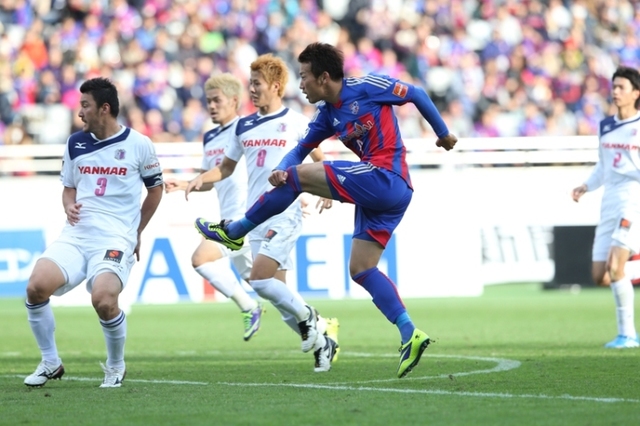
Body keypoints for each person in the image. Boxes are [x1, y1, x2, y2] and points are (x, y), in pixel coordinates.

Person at [195, 42, 458, 378]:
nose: (300, 84)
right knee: (361, 269)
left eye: (304, 76)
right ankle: (410, 333)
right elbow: (300, 149)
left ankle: (235, 231)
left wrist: (443, 134)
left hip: (386, 177)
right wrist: (282, 169)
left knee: (298, 178)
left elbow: (416, 93)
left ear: (323, 77)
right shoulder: (325, 115)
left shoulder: (367, 86)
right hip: (379, 194)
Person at [186, 54, 339, 372]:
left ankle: (311, 317)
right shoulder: (244, 125)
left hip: (284, 212)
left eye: (257, 83)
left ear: (276, 86)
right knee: (279, 298)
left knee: (259, 279)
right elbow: (225, 169)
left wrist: (328, 191)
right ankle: (323, 342)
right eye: (251, 83)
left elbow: (318, 159)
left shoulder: (296, 121)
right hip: (253, 217)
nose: (252, 89)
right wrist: (200, 179)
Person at [22, 77, 164, 388]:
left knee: (104, 299)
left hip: (115, 238)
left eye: (85, 105)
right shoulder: (75, 142)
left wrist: (136, 231)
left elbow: (156, 190)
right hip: (76, 235)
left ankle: (115, 365)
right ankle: (50, 362)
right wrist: (68, 206)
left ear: (105, 108)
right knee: (35, 287)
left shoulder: (139, 144)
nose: (79, 112)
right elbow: (68, 188)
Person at [164, 73, 265, 342]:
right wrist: (185, 183)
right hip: (228, 217)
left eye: (217, 100)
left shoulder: (248, 128)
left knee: (200, 258)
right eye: (208, 101)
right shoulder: (210, 137)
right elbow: (208, 180)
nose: (211, 106)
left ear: (234, 100)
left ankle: (249, 307)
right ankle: (318, 327)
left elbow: (266, 165)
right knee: (267, 286)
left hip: (246, 218)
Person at [572, 66, 640, 349]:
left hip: (633, 198)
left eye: (622, 87)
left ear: (636, 93)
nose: (615, 91)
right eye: (614, 86)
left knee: (615, 267)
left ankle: (628, 335)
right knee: (600, 275)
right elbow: (603, 165)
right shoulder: (606, 126)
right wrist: (586, 185)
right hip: (609, 200)